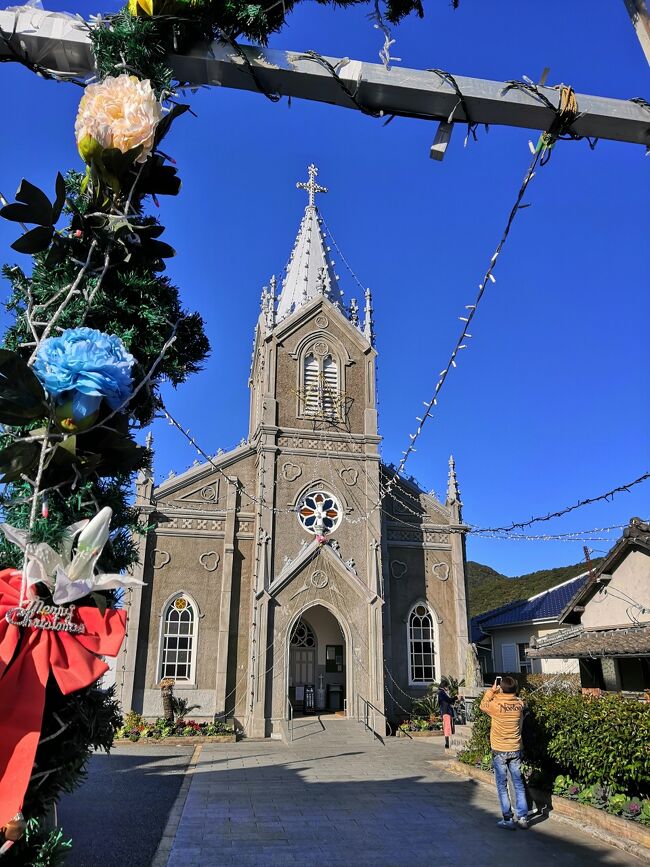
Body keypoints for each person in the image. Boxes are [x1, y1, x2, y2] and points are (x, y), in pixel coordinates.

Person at [479, 676, 529, 830]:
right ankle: (523, 817)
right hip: (515, 748)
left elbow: (483, 705)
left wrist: (492, 691)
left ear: (501, 688)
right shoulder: (519, 705)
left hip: (499, 749)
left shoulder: (495, 705)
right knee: (518, 783)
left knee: (502, 785)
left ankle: (508, 819)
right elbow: (520, 702)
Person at [437, 679, 456, 749]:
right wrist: (455, 698)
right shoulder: (441, 693)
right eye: (447, 686)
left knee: (448, 727)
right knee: (447, 727)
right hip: (446, 712)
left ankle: (448, 743)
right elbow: (448, 700)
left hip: (447, 711)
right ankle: (447, 743)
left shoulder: (443, 692)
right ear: (444, 686)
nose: (448, 688)